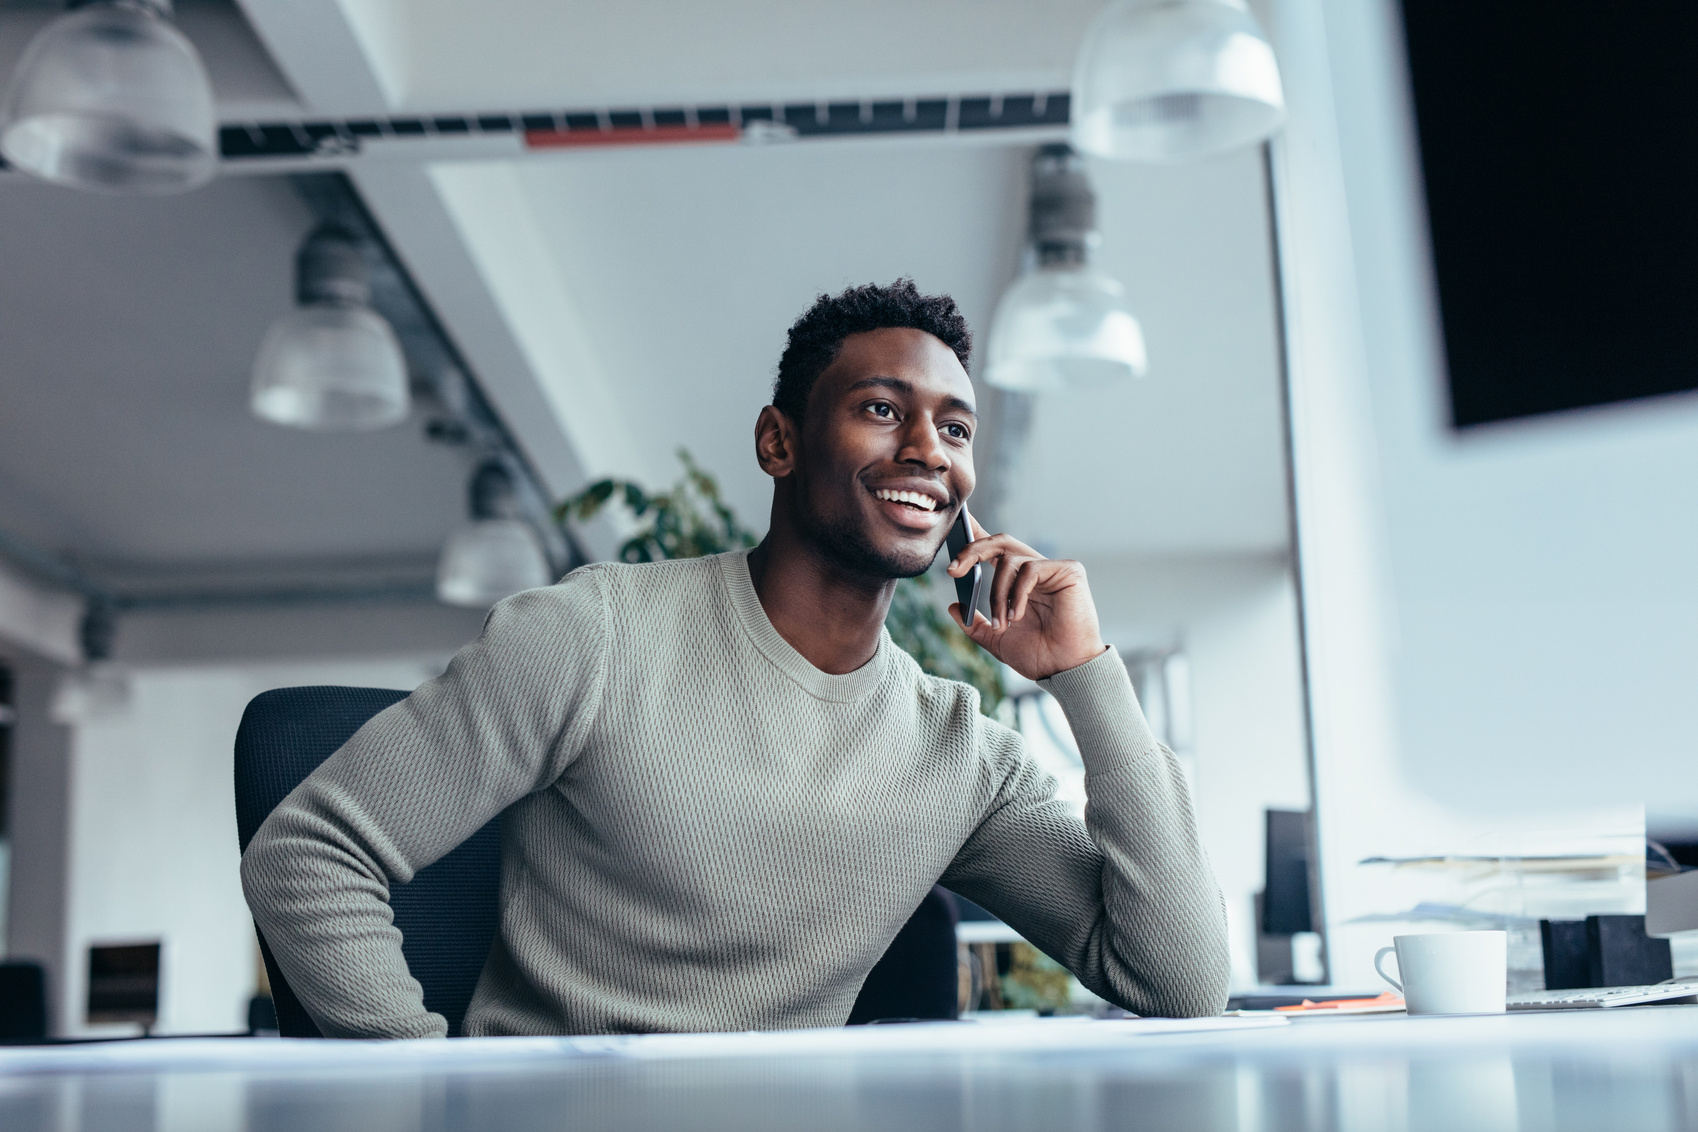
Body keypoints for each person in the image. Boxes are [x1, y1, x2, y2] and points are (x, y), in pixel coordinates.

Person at [242, 279, 1230, 1039]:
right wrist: (436, 1095)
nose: (931, 447)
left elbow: (1178, 981)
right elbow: (309, 855)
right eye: (884, 409)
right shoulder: (594, 634)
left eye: (956, 427)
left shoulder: (961, 754)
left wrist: (1086, 674)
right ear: (779, 443)